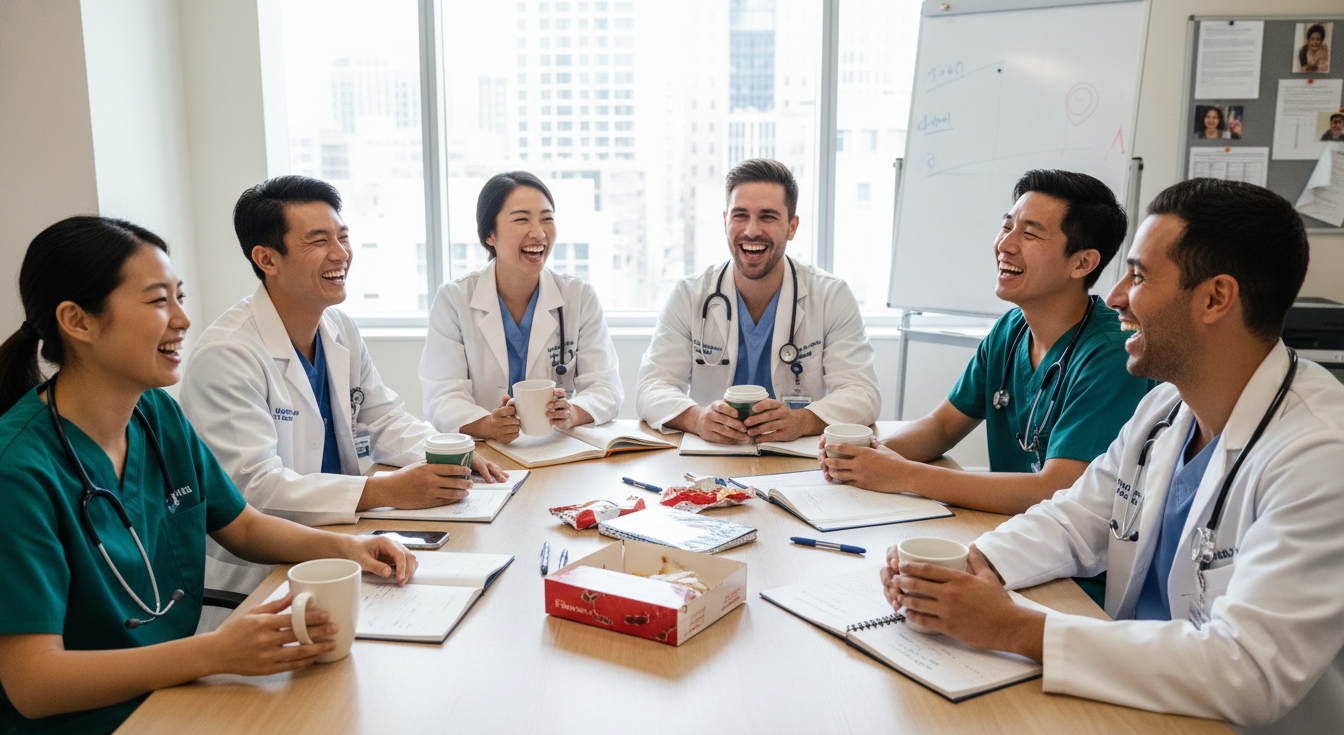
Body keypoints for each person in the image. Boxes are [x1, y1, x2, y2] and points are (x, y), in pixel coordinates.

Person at [879, 179, 1344, 735]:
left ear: (1215, 299)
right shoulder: (1164, 409)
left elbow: (1247, 670)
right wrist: (972, 567)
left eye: (1141, 277)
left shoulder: (1319, 455)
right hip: (1134, 709)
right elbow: (1077, 515)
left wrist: (1018, 629)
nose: (1118, 296)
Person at [0, 217, 418, 735]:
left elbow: (240, 524)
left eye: (179, 296)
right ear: (77, 321)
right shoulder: (20, 472)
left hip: (175, 696)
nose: (182, 319)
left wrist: (349, 548)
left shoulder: (154, 415)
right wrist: (214, 653)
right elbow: (34, 684)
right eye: (157, 302)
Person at [181, 176, 504, 601]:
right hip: (262, 578)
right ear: (267, 259)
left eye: (343, 236)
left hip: (344, 540)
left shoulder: (338, 328)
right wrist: (384, 490)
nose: (341, 254)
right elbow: (254, 492)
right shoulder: (226, 356)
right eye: (318, 241)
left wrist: (448, 451)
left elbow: (383, 417)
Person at [821, 170, 1153, 519]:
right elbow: (943, 425)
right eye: (1007, 226)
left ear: (1082, 262)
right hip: (1008, 531)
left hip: (1073, 560)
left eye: (1029, 234)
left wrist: (903, 474)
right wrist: (867, 453)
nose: (1005, 245)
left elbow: (1055, 489)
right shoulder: (1010, 330)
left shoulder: (1113, 353)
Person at [636, 158, 880, 443]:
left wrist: (802, 421)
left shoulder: (830, 296)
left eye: (767, 216)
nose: (751, 230)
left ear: (792, 226)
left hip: (797, 456)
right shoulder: (689, 295)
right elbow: (651, 386)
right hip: (710, 457)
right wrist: (697, 418)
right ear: (725, 221)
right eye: (740, 215)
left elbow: (863, 393)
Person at [420, 171, 622, 440]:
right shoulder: (454, 300)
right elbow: (441, 395)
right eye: (521, 220)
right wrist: (487, 425)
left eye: (547, 218)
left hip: (557, 449)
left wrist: (573, 412)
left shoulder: (579, 296)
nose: (538, 233)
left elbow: (605, 386)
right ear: (489, 234)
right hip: (487, 452)